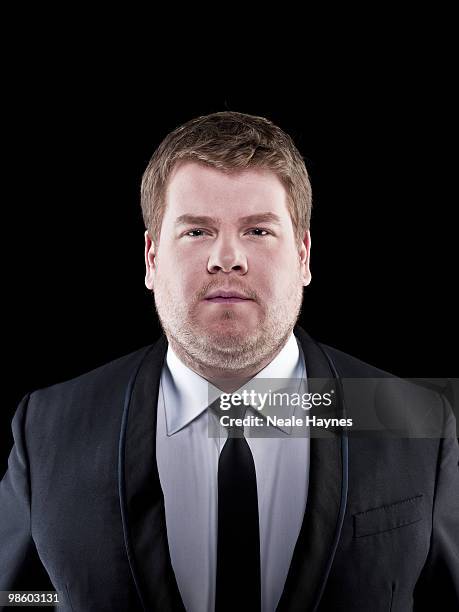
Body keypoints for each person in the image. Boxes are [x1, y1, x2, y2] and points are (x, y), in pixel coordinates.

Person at [0, 111, 458, 612]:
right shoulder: (46, 426)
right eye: (196, 231)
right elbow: (19, 597)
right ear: (151, 259)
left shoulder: (414, 421)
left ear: (304, 256)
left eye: (258, 231)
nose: (226, 257)